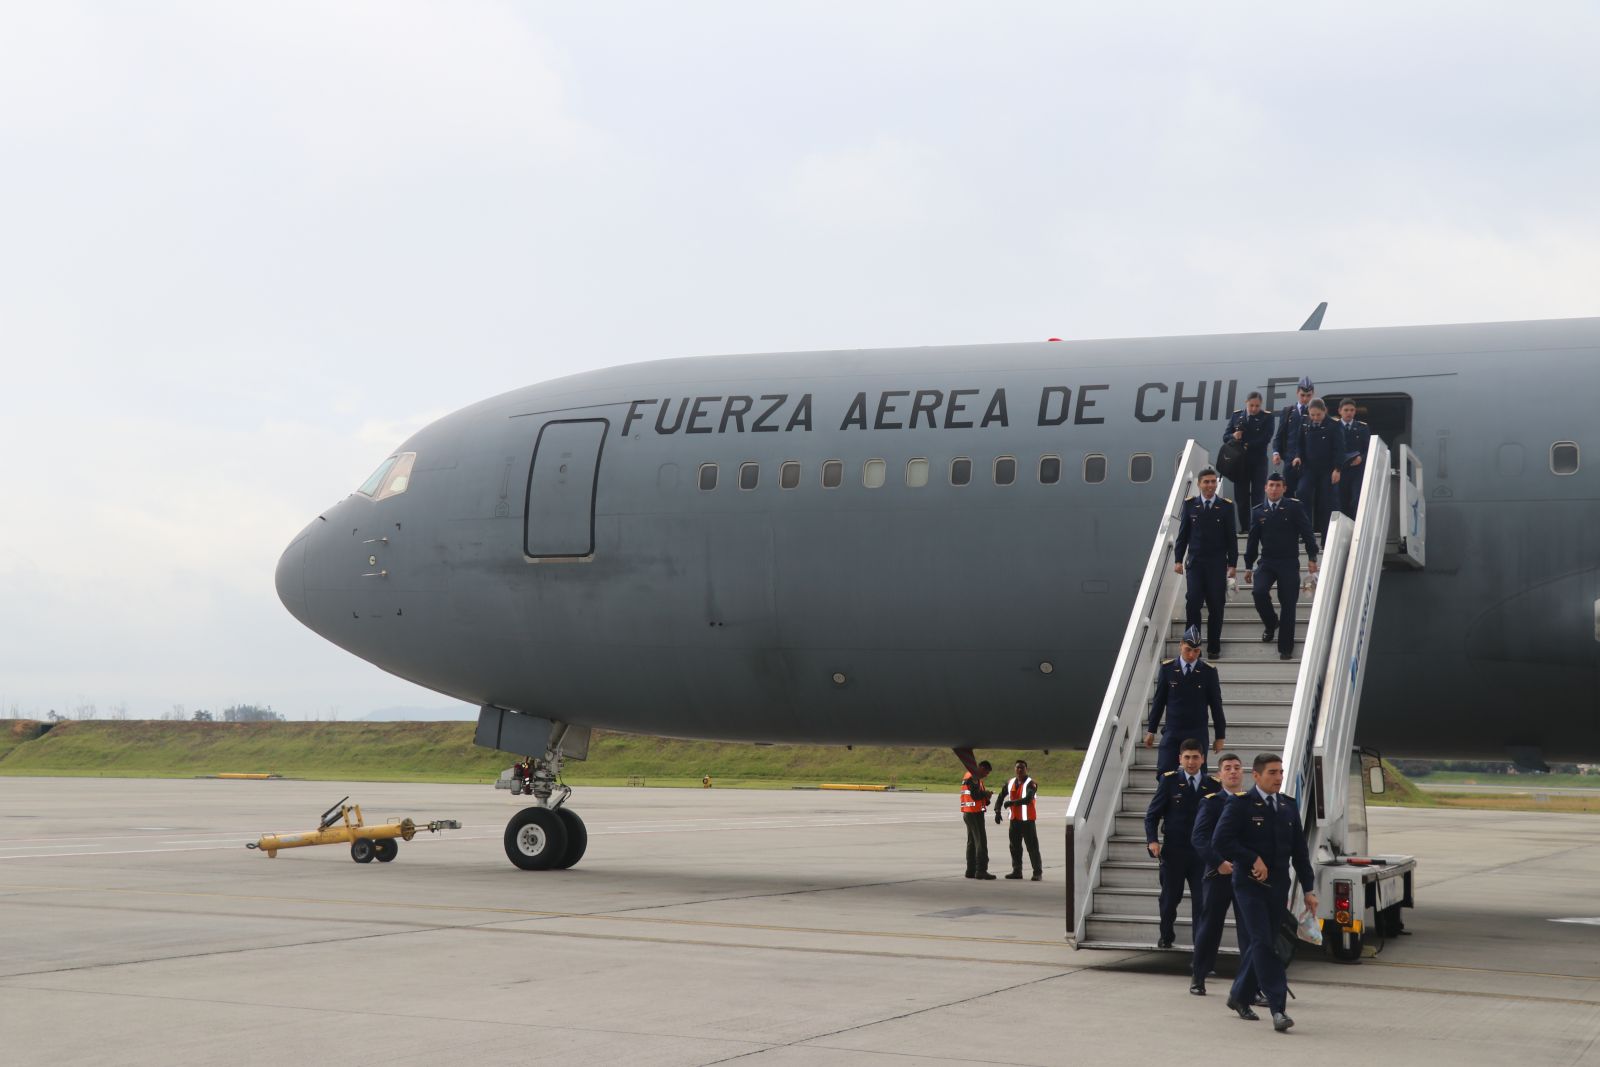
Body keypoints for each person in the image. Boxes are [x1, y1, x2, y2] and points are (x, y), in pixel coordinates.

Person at [1213, 753, 1318, 1033]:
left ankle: (1238, 996)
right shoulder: (1240, 804)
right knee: (1262, 941)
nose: (1278, 777)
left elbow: (1299, 852)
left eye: (1280, 772)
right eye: (1272, 773)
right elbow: (1221, 840)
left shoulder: (1287, 806)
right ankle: (1278, 1008)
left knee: (1263, 943)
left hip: (1277, 887)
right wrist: (1251, 858)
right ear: (1256, 776)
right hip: (1248, 886)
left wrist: (1309, 888)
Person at [1144, 739, 1220, 950]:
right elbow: (1152, 815)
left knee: (1202, 903)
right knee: (1169, 900)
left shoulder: (1213, 785)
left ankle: (1200, 945)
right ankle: (1166, 935)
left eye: (1195, 757)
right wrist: (1152, 841)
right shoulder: (1169, 782)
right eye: (1186, 757)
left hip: (1201, 855)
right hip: (1174, 852)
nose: (1191, 762)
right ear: (1179, 759)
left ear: (1203, 759)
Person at [1243, 474, 1320, 661]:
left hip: (1288, 562)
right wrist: (1247, 565)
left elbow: (1307, 532)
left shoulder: (1293, 507)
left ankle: (1285, 648)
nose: (1274, 489)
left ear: (1284, 488)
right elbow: (1253, 541)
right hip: (1267, 561)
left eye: (1278, 485)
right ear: (1265, 488)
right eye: (1271, 485)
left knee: (1288, 605)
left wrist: (1312, 557)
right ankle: (1271, 624)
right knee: (1259, 592)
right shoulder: (1258, 511)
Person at [1189, 752, 1248, 996]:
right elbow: (1199, 838)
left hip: (1245, 875)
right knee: (1210, 928)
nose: (1233, 771)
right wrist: (1218, 862)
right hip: (1218, 875)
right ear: (1219, 774)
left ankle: (1250, 984)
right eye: (1227, 768)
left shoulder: (1251, 802)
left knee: (1249, 930)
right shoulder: (1211, 802)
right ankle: (1198, 976)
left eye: (1236, 767)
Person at [1143, 629, 1227, 778]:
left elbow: (1216, 705)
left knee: (1198, 778)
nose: (1191, 655)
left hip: (1197, 732)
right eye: (1188, 650)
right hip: (1173, 730)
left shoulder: (1208, 672)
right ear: (1180, 645)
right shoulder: (1168, 669)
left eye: (1196, 651)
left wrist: (1220, 736)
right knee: (1164, 774)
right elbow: (1159, 700)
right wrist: (1151, 730)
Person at [1173, 467, 1237, 660]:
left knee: (1216, 606)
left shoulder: (1225, 506)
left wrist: (1232, 564)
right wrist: (1178, 559)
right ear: (1199, 484)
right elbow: (1183, 535)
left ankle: (1214, 647)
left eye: (1212, 482)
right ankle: (1192, 646)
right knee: (1193, 603)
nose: (1210, 485)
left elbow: (1231, 538)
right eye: (1206, 482)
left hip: (1216, 565)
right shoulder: (1190, 505)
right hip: (1196, 564)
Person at [1286, 398, 1351, 538]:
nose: (1315, 418)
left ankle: (1327, 536)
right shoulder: (1305, 422)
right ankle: (1305, 533)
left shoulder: (1334, 425)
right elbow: (1300, 443)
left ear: (1324, 411)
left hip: (1327, 469)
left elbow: (1339, 448)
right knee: (1302, 494)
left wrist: (1337, 469)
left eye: (1318, 415)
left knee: (1326, 502)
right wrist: (1298, 456)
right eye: (1312, 415)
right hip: (1309, 468)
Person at [1223, 392, 1274, 532]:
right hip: (1240, 463)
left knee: (1258, 496)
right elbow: (1225, 437)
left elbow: (1265, 438)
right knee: (1241, 497)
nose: (1254, 409)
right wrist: (1234, 436)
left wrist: (1246, 445)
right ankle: (1245, 528)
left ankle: (1257, 526)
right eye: (1251, 405)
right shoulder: (1237, 416)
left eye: (1257, 406)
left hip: (1258, 462)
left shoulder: (1267, 417)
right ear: (1246, 403)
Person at [996, 759, 1042, 880]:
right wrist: (997, 810)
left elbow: (1028, 799)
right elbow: (1001, 796)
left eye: (1022, 767)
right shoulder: (1011, 782)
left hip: (1027, 821)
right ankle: (1017, 871)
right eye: (1017, 767)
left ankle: (1037, 872)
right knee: (1014, 846)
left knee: (1032, 847)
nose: (1019, 770)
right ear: (1014, 769)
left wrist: (1012, 803)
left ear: (1026, 769)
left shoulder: (1031, 783)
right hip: (1014, 821)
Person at [1272, 377, 1315, 496]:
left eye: (1308, 395)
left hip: (1307, 462)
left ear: (1313, 394)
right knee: (1288, 494)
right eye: (1302, 395)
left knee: (1304, 493)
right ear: (1297, 393)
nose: (1305, 398)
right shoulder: (1288, 412)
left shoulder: (1315, 413)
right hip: (1289, 461)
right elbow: (1279, 436)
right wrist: (1276, 453)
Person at [1336, 398, 1372, 519]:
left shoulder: (1362, 428)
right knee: (1341, 500)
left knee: (1356, 500)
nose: (1349, 413)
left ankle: (1356, 525)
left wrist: (1361, 458)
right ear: (1340, 411)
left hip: (1357, 470)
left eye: (1352, 410)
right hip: (1340, 470)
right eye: (1346, 410)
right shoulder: (1333, 427)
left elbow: (1369, 449)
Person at [961, 760, 997, 880]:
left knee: (971, 842)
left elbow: (977, 795)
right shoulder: (974, 777)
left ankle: (970, 870)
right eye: (985, 772)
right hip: (974, 814)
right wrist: (985, 794)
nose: (986, 775)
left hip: (968, 812)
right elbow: (975, 795)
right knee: (981, 842)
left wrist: (986, 797)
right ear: (981, 768)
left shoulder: (969, 776)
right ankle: (981, 870)